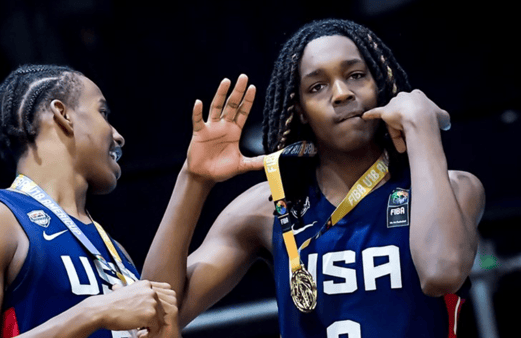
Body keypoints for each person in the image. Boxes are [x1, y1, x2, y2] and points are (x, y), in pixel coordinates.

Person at [142, 18, 486, 337]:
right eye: (317, 86)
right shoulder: (268, 207)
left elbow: (442, 272)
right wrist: (193, 180)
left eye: (356, 75)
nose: (341, 93)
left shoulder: (457, 188)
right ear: (300, 111)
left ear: (381, 85)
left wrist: (420, 127)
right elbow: (152, 320)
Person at [0, 64, 263, 338]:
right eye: (103, 112)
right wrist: (94, 312)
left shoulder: (115, 253)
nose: (118, 135)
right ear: (63, 114)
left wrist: (195, 177)